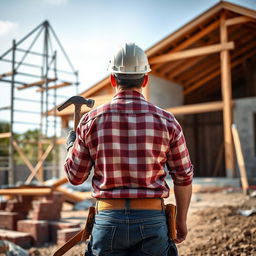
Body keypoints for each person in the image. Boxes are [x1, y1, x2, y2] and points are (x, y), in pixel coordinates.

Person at [64, 42, 193, 256]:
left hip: (108, 221)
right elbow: (184, 176)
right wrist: (181, 221)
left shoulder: (91, 120)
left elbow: (75, 177)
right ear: (145, 79)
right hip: (152, 221)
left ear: (113, 79)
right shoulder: (167, 121)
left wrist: (71, 144)